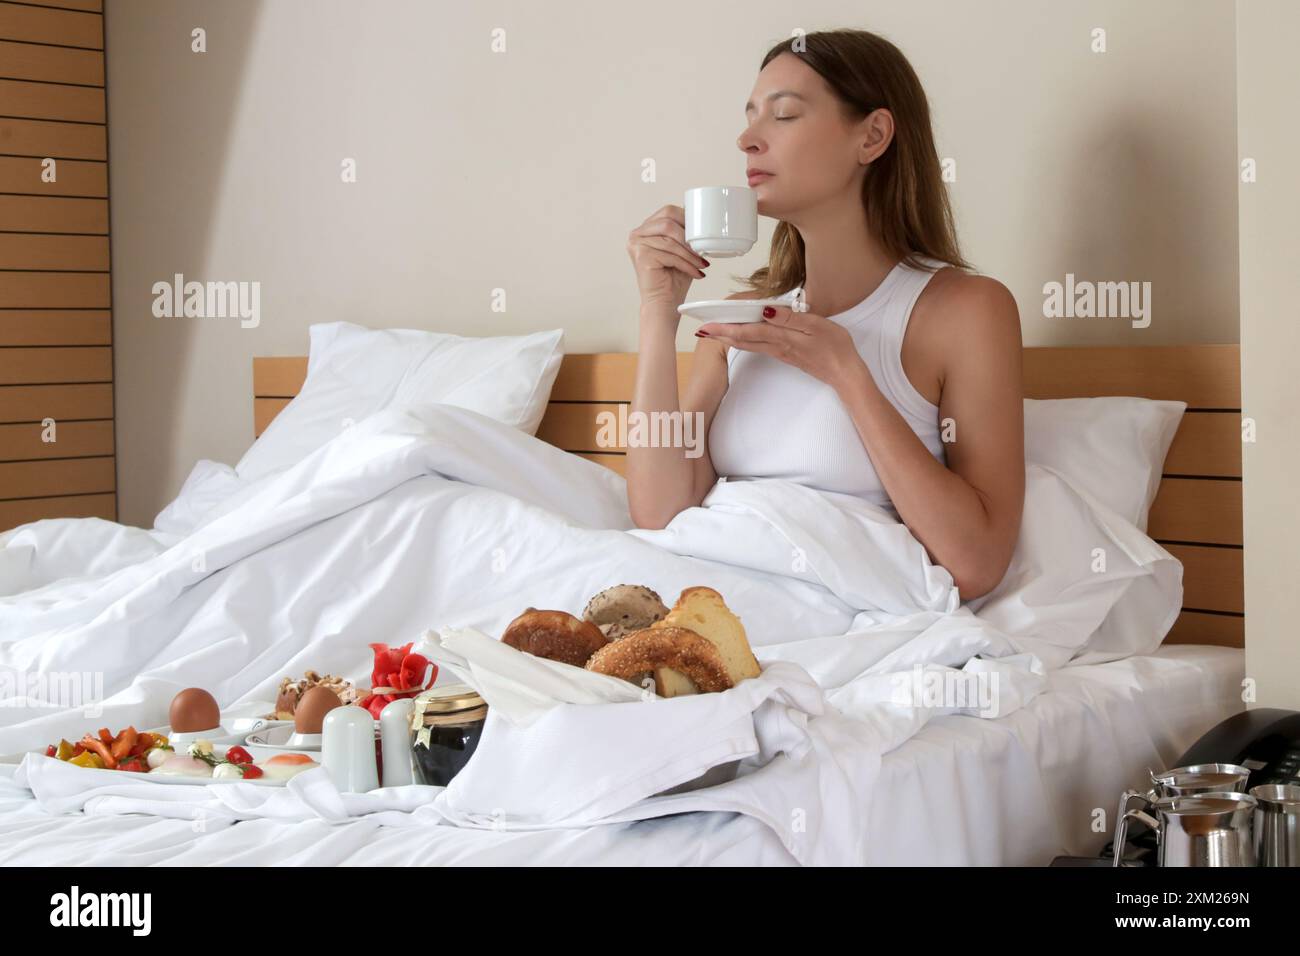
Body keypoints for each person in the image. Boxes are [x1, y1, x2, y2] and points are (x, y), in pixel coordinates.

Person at [624, 29, 1024, 601]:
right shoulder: (737, 321)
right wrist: (659, 312)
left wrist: (847, 372)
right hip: (706, 588)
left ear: (873, 136)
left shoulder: (965, 311)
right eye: (750, 116)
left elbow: (977, 562)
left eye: (783, 115)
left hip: (825, 607)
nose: (746, 139)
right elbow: (659, 513)